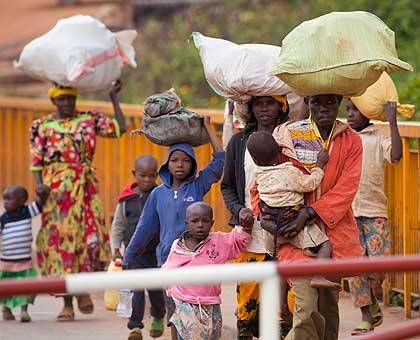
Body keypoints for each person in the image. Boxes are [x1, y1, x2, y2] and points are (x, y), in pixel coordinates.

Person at [255, 94, 363, 340]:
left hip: (333, 233)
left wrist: (310, 212)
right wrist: (269, 218)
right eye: (316, 102)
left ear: (339, 102)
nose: (323, 108)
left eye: (330, 103)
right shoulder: (286, 134)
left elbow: (347, 187)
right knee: (305, 309)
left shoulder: (351, 140)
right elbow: (262, 182)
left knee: (327, 307)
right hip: (292, 233)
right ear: (307, 102)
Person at [30, 80, 126, 321]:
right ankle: (67, 303)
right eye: (61, 99)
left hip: (85, 189)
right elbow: (36, 162)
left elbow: (119, 128)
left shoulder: (88, 120)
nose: (66, 103)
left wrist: (113, 97)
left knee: (87, 239)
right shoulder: (43, 126)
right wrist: (38, 187)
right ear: (54, 100)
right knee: (61, 243)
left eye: (70, 99)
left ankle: (81, 289)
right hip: (57, 194)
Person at [123, 115, 224, 340]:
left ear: (193, 164)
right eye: (175, 160)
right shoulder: (158, 194)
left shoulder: (198, 185)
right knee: (175, 315)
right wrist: (129, 257)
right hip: (168, 264)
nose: (180, 165)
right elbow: (144, 228)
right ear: (167, 163)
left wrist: (207, 126)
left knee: (198, 314)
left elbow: (220, 160)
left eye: (186, 160)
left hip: (198, 262)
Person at [221, 95, 289, 339]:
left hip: (285, 234)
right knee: (247, 301)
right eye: (258, 103)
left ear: (280, 106)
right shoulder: (239, 143)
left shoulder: (290, 140)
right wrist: (239, 210)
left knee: (285, 303)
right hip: (249, 235)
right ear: (250, 108)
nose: (264, 109)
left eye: (270, 103)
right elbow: (227, 186)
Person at [247, 131, 339, 286]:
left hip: (271, 231)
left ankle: (277, 295)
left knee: (275, 257)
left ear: (255, 160)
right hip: (293, 224)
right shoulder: (289, 172)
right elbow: (310, 184)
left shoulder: (259, 176)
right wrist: (319, 165)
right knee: (325, 245)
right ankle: (318, 276)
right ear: (279, 151)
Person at [345, 100, 402, 335]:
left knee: (377, 268)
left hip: (375, 211)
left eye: (355, 110)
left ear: (368, 111)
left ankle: (374, 304)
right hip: (347, 212)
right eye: (347, 110)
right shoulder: (344, 137)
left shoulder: (379, 137)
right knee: (354, 267)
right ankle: (366, 316)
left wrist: (392, 120)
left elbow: (397, 155)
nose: (349, 115)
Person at [163, 202, 252, 340]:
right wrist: (172, 292)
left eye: (205, 221)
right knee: (182, 331)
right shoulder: (178, 246)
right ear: (187, 223)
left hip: (210, 303)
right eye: (195, 221)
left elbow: (237, 241)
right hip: (185, 302)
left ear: (212, 223)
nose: (200, 225)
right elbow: (167, 270)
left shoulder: (219, 241)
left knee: (212, 336)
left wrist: (246, 226)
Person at [111, 155, 165, 340]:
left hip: (155, 252)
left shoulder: (160, 194)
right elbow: (118, 226)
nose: (147, 180)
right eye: (143, 175)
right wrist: (116, 248)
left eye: (151, 176)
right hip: (134, 254)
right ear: (135, 174)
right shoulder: (127, 199)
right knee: (137, 290)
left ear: (157, 174)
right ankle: (135, 326)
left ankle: (158, 316)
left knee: (156, 288)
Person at [0, 185, 49, 322]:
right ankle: (6, 309)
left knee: (26, 286)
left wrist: (42, 195)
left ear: (22, 201)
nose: (6, 202)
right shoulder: (3, 219)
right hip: (6, 261)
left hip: (24, 260)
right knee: (6, 287)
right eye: (5, 199)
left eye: (10, 199)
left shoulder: (26, 212)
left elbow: (39, 205)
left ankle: (24, 311)